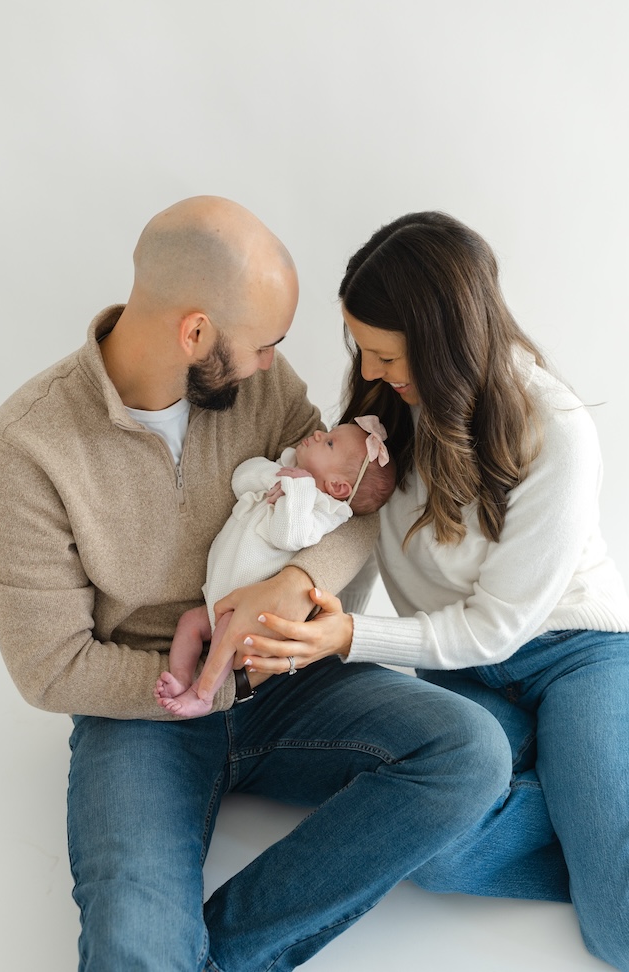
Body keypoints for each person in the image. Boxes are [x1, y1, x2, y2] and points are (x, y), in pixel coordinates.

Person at [0, 197, 513, 972]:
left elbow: (352, 512)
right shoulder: (23, 452)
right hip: (147, 711)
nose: (272, 364)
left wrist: (296, 580)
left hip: (294, 681)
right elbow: (50, 668)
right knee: (133, 943)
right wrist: (215, 680)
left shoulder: (261, 387)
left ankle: (222, 956)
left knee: (471, 752)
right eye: (264, 345)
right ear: (195, 333)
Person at [230, 211, 629, 972]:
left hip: (572, 653)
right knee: (436, 849)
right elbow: (358, 532)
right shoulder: (387, 412)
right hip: (461, 665)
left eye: (386, 353)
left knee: (618, 926)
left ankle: (601, 837)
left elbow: (497, 627)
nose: (370, 370)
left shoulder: (556, 431)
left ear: (446, 338)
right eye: (361, 349)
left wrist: (351, 638)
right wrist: (310, 615)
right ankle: (591, 822)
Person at [155, 416, 396, 718]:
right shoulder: (285, 468)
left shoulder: (322, 510)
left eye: (329, 443)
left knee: (226, 633)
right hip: (219, 594)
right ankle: (180, 679)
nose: (318, 434)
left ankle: (204, 693)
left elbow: (288, 536)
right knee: (190, 622)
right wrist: (278, 478)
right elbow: (241, 479)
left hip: (249, 607)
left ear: (337, 486)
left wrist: (299, 489)